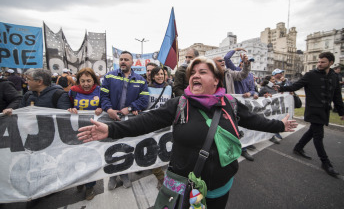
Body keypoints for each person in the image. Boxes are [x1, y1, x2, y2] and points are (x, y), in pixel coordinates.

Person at [78, 56, 297, 208]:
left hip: (221, 185)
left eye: (202, 72)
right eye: (192, 72)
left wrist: (280, 126)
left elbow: (255, 121)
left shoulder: (231, 103)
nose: (194, 75)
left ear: (216, 80)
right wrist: (111, 129)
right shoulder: (179, 104)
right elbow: (146, 121)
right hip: (188, 186)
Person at [278, 52, 344, 177]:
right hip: (313, 111)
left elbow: (337, 96)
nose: (319, 64)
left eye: (322, 62)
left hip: (325, 111)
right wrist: (280, 88)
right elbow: (295, 86)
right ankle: (325, 163)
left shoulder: (334, 77)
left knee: (312, 131)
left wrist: (341, 112)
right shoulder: (310, 75)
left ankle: (298, 148)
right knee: (318, 136)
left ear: (331, 63)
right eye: (318, 61)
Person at [100, 50, 149, 189]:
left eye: (126, 59)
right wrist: (109, 109)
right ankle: (112, 176)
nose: (123, 61)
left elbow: (144, 100)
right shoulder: (109, 76)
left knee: (126, 148)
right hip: (111, 119)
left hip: (129, 121)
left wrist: (129, 108)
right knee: (111, 148)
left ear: (132, 63)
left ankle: (125, 174)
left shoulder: (140, 80)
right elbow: (103, 96)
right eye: (121, 59)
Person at [67, 68, 102, 200]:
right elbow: (65, 105)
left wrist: (102, 108)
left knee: (90, 158)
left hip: (94, 131)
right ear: (78, 81)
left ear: (94, 80)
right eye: (82, 81)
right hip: (76, 130)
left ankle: (90, 186)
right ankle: (80, 180)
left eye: (88, 81)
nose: (86, 84)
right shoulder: (73, 92)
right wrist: (69, 108)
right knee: (77, 157)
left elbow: (105, 103)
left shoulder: (100, 91)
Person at [225, 48, 259, 161]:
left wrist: (251, 93)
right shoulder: (234, 71)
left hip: (246, 104)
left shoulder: (250, 76)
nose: (248, 64)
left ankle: (247, 144)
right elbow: (226, 58)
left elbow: (254, 90)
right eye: (246, 61)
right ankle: (242, 149)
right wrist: (235, 49)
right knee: (235, 126)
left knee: (246, 124)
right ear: (241, 62)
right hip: (235, 104)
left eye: (249, 62)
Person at [147, 66, 173, 189]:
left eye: (162, 74)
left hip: (166, 125)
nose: (160, 76)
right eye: (157, 74)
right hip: (151, 125)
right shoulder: (146, 88)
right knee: (152, 152)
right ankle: (160, 177)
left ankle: (171, 175)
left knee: (168, 150)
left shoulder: (169, 88)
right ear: (152, 76)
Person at [258, 75, 281, 144]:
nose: (274, 81)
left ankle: (273, 134)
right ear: (268, 81)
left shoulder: (274, 88)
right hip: (266, 109)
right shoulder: (264, 88)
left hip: (273, 108)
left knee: (273, 121)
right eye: (273, 80)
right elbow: (259, 98)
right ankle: (271, 136)